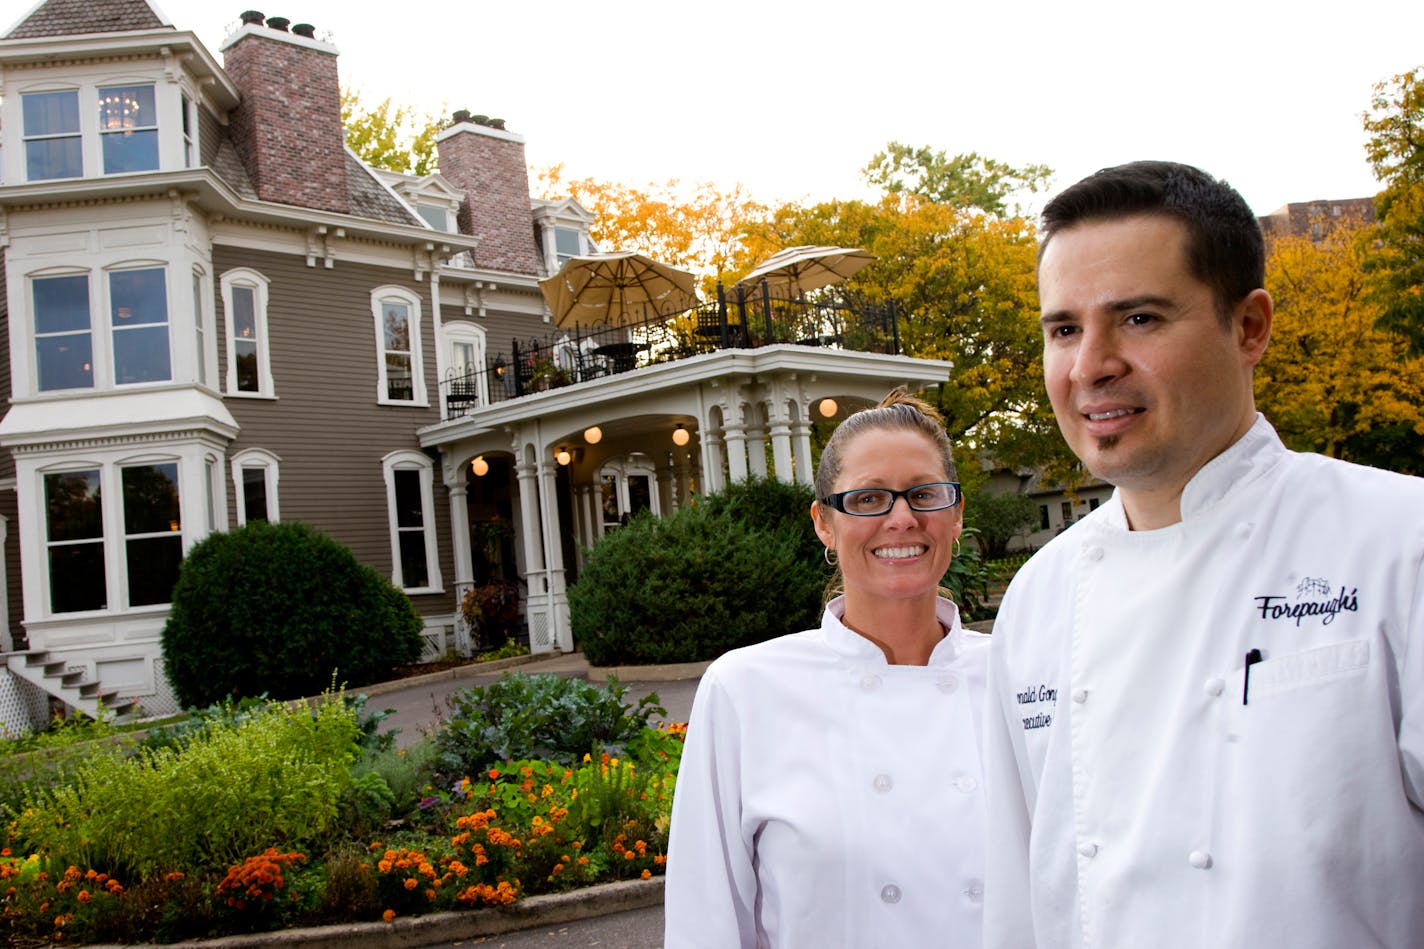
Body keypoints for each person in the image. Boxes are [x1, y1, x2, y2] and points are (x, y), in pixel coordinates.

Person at [982, 160, 1424, 948]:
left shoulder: (1399, 542)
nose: (1090, 365)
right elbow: (1019, 907)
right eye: (1064, 329)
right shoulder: (1038, 597)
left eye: (1140, 318)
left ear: (1249, 326)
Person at [664, 388, 991, 947]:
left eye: (925, 494)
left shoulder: (1018, 679)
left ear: (956, 514)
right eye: (867, 499)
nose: (903, 519)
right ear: (824, 523)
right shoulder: (745, 689)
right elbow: (707, 919)